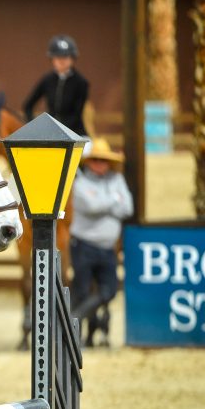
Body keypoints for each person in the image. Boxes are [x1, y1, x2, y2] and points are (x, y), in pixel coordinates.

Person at [69, 138, 133, 347]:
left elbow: (128, 208)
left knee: (109, 291)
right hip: (84, 245)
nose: (99, 164)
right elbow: (91, 206)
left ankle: (75, 317)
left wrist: (104, 203)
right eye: (95, 159)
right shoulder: (80, 183)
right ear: (88, 162)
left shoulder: (116, 179)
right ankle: (78, 336)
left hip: (107, 248)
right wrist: (114, 200)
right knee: (82, 291)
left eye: (103, 160)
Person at [22, 34, 89, 136]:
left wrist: (58, 130)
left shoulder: (81, 82)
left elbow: (76, 115)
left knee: (86, 149)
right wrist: (35, 127)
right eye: (58, 57)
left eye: (65, 56)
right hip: (51, 134)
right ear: (52, 58)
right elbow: (28, 106)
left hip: (76, 133)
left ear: (72, 58)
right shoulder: (47, 80)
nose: (61, 60)